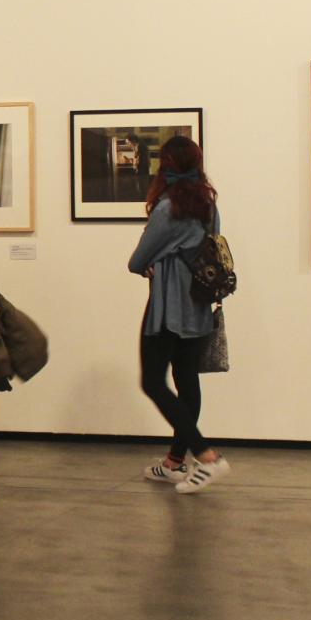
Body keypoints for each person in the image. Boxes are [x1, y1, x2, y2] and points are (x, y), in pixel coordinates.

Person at [131, 136, 225, 494]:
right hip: (198, 305)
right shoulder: (207, 205)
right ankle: (174, 462)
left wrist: (154, 263)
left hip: (169, 309)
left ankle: (208, 457)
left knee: (153, 382)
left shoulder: (167, 209)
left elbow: (136, 261)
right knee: (187, 379)